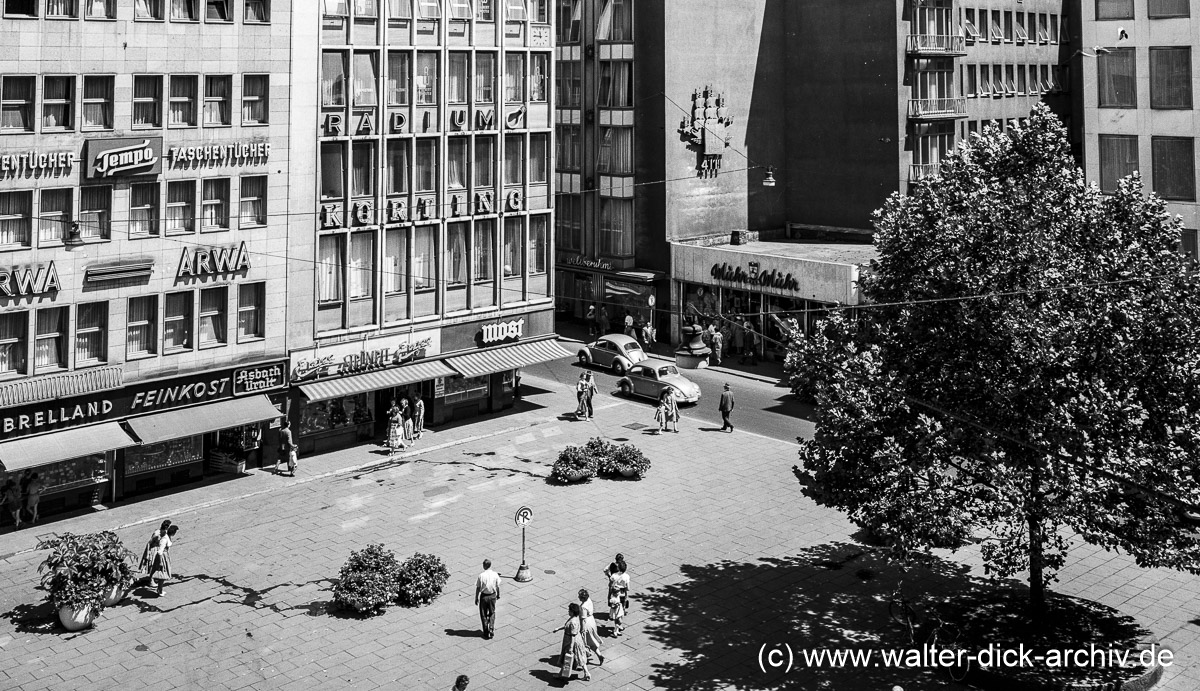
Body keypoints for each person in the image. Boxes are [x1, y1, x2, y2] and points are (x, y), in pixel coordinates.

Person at [555, 602, 591, 682]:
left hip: (572, 642)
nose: (568, 611)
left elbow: (573, 636)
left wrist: (570, 647)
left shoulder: (573, 622)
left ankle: (561, 674)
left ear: (572, 611)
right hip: (575, 640)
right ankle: (587, 673)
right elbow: (566, 626)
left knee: (567, 658)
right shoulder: (574, 618)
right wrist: (558, 628)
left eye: (569, 610)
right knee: (580, 657)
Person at [474, 558, 501, 639]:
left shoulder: (481, 576)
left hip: (484, 596)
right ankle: (491, 627)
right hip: (492, 595)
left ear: (484, 566)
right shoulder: (495, 574)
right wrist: (498, 594)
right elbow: (497, 586)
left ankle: (486, 631)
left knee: (483, 614)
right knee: (492, 612)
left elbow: (478, 587)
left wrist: (476, 597)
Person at [578, 589, 603, 665]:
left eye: (579, 596)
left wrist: (582, 629)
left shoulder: (583, 607)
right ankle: (596, 654)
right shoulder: (589, 600)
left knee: (585, 641)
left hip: (587, 624)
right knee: (591, 639)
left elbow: (583, 619)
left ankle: (593, 655)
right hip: (592, 621)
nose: (578, 597)